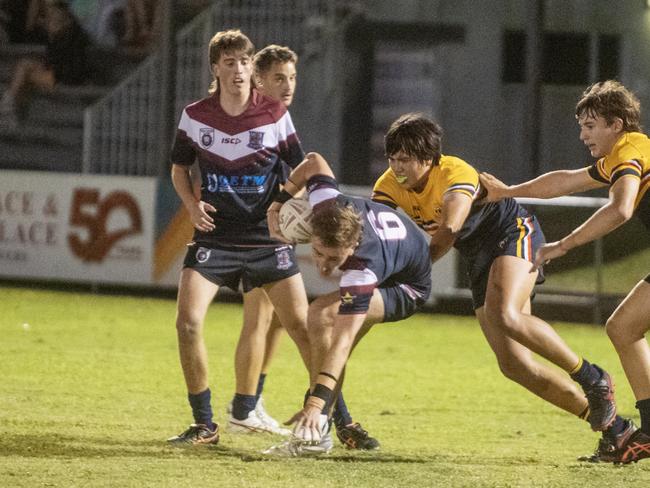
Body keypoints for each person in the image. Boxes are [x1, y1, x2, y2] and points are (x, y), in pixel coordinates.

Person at [371, 112, 627, 458]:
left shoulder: (454, 174)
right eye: (392, 158)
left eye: (406, 159)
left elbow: (449, 230)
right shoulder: (389, 185)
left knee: (504, 313)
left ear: (429, 160)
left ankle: (593, 378)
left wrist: (412, 270)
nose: (397, 167)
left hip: (513, 233)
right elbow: (376, 232)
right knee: (514, 365)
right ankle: (617, 431)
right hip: (480, 257)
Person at [480, 80, 650, 464]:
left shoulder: (632, 148)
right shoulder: (618, 157)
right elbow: (565, 180)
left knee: (623, 328)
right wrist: (508, 192)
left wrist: (563, 244)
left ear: (617, 124)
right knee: (623, 328)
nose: (582, 134)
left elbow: (621, 209)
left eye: (591, 125)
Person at [226, 43, 379, 450]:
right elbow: (303, 167)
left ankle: (248, 404)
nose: (288, 85)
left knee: (271, 321)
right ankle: (335, 420)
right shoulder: (259, 118)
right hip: (263, 231)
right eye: (279, 77)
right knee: (300, 327)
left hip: (268, 228)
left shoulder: (270, 115)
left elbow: (299, 168)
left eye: (292, 77)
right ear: (258, 80)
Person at [166, 29, 313, 445]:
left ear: (252, 66)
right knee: (188, 324)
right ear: (216, 68)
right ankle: (204, 424)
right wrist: (192, 206)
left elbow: (301, 171)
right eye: (229, 63)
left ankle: (338, 420)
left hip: (267, 241)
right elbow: (178, 168)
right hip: (214, 240)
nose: (239, 70)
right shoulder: (195, 116)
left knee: (300, 329)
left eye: (245, 62)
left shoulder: (274, 114)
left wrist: (285, 206)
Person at [263, 152, 432, 455]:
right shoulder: (325, 204)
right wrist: (277, 203)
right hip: (394, 260)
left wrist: (315, 403)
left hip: (406, 287)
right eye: (317, 252)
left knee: (322, 319)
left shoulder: (361, 269)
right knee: (325, 347)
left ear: (352, 245)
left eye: (334, 258)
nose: (324, 266)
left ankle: (317, 431)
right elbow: (314, 161)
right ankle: (336, 425)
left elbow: (342, 339)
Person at [0, 0, 90, 130]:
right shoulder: (64, 35)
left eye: (53, 20)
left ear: (64, 20)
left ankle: (7, 109)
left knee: (25, 72)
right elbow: (51, 62)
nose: (49, 23)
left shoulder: (69, 37)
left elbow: (63, 65)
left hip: (65, 78)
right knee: (25, 66)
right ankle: (11, 110)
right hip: (60, 74)